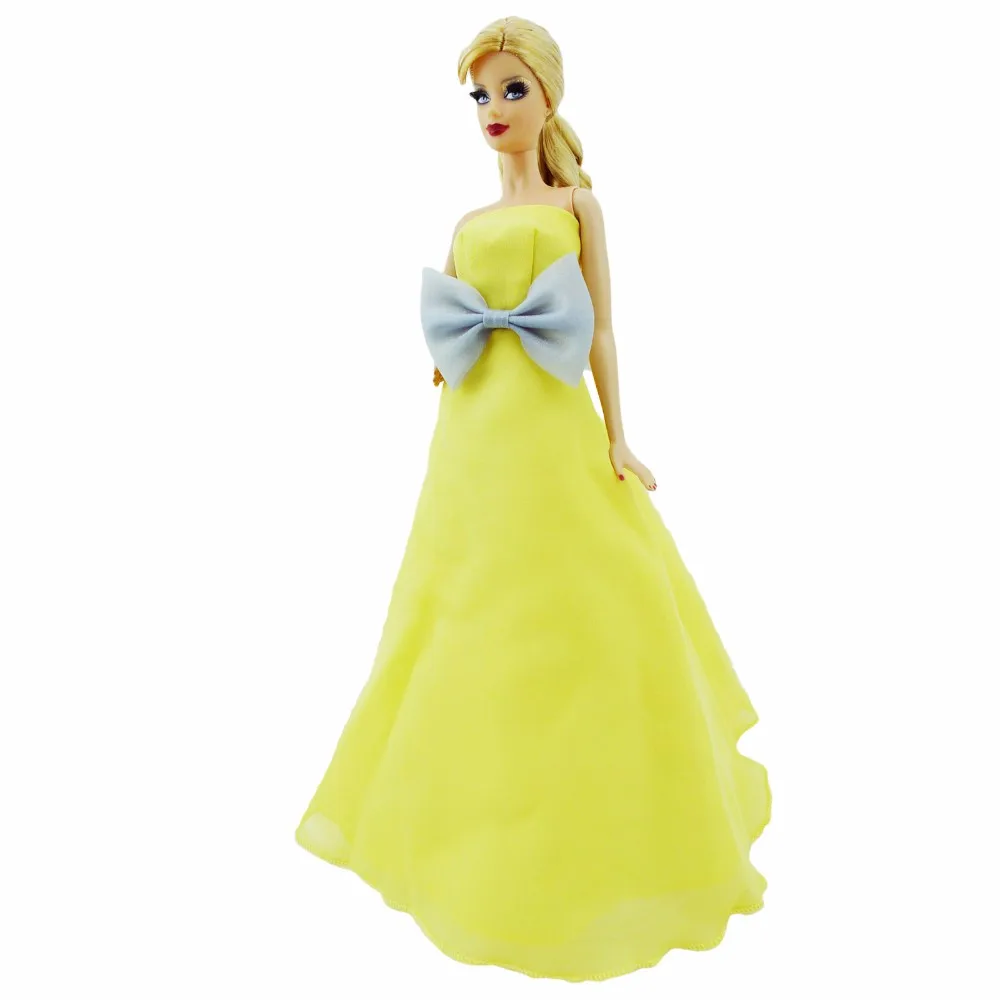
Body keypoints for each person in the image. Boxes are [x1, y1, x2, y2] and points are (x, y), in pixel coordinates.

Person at [294, 15, 771, 983]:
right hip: (473, 446)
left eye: (512, 89)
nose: (494, 110)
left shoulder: (578, 206)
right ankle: (469, 831)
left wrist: (620, 435)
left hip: (554, 437)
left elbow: (601, 331)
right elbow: (451, 326)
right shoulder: (465, 224)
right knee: (463, 613)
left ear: (550, 94)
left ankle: (613, 817)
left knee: (589, 602)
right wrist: (446, 367)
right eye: (480, 94)